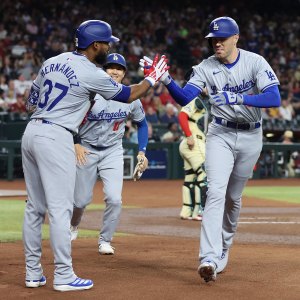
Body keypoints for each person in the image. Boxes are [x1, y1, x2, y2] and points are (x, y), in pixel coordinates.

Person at [21, 20, 168, 292]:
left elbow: (30, 102)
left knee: (34, 207)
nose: (108, 47)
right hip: (57, 135)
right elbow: (129, 94)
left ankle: (33, 273)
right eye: (106, 43)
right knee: (61, 209)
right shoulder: (91, 71)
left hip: (32, 132)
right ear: (95, 45)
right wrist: (153, 78)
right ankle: (63, 275)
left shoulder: (52, 61)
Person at [141, 16, 280, 282]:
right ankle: (208, 257)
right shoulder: (206, 66)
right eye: (213, 39)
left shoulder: (255, 62)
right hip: (221, 133)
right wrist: (166, 79)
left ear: (236, 38)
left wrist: (240, 97)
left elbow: (273, 96)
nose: (217, 43)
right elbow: (185, 97)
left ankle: (224, 246)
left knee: (233, 197)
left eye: (222, 39)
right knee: (215, 191)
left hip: (251, 136)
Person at [70, 53, 149, 256]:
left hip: (113, 150)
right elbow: (70, 120)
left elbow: (142, 124)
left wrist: (142, 151)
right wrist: (76, 143)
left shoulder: (131, 96)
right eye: (110, 67)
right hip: (86, 148)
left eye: (119, 68)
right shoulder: (91, 93)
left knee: (114, 199)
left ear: (124, 73)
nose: (114, 71)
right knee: (80, 201)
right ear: (103, 71)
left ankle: (105, 240)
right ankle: (73, 225)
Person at [178, 97, 208, 221]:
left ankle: (187, 211)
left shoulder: (203, 101)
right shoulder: (195, 99)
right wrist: (189, 136)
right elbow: (182, 116)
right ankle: (200, 211)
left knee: (190, 177)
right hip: (194, 141)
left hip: (190, 143)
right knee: (204, 173)